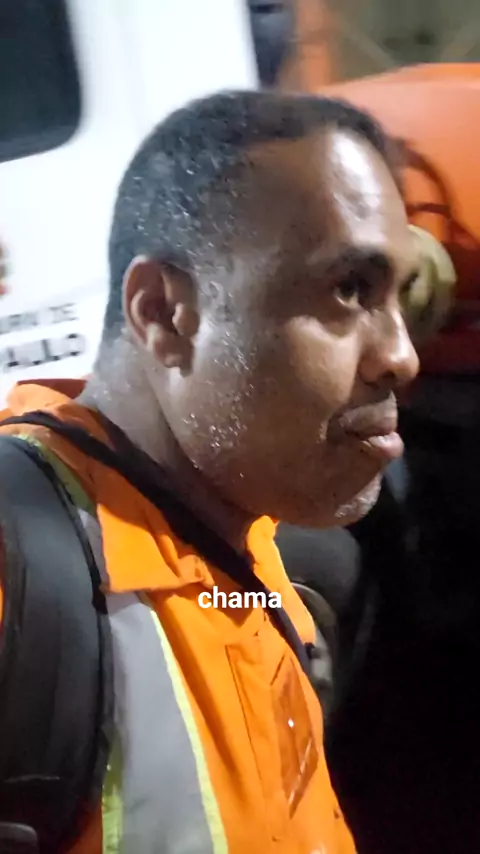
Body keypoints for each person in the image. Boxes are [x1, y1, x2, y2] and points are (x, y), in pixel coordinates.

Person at [0, 89, 419, 854]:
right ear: (164, 313)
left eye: (402, 296)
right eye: (348, 290)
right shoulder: (18, 569)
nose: (402, 356)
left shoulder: (245, 526)